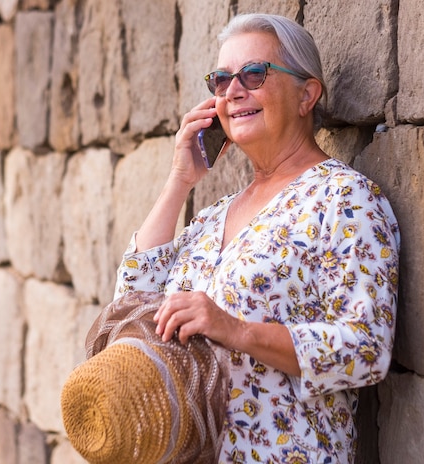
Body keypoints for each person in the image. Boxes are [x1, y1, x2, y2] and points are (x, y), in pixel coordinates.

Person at [114, 13, 400, 464]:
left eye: (254, 74)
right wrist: (179, 181)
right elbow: (130, 308)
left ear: (307, 95)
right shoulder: (212, 217)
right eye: (221, 80)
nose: (233, 90)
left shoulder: (343, 198)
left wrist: (234, 329)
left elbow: (365, 349)